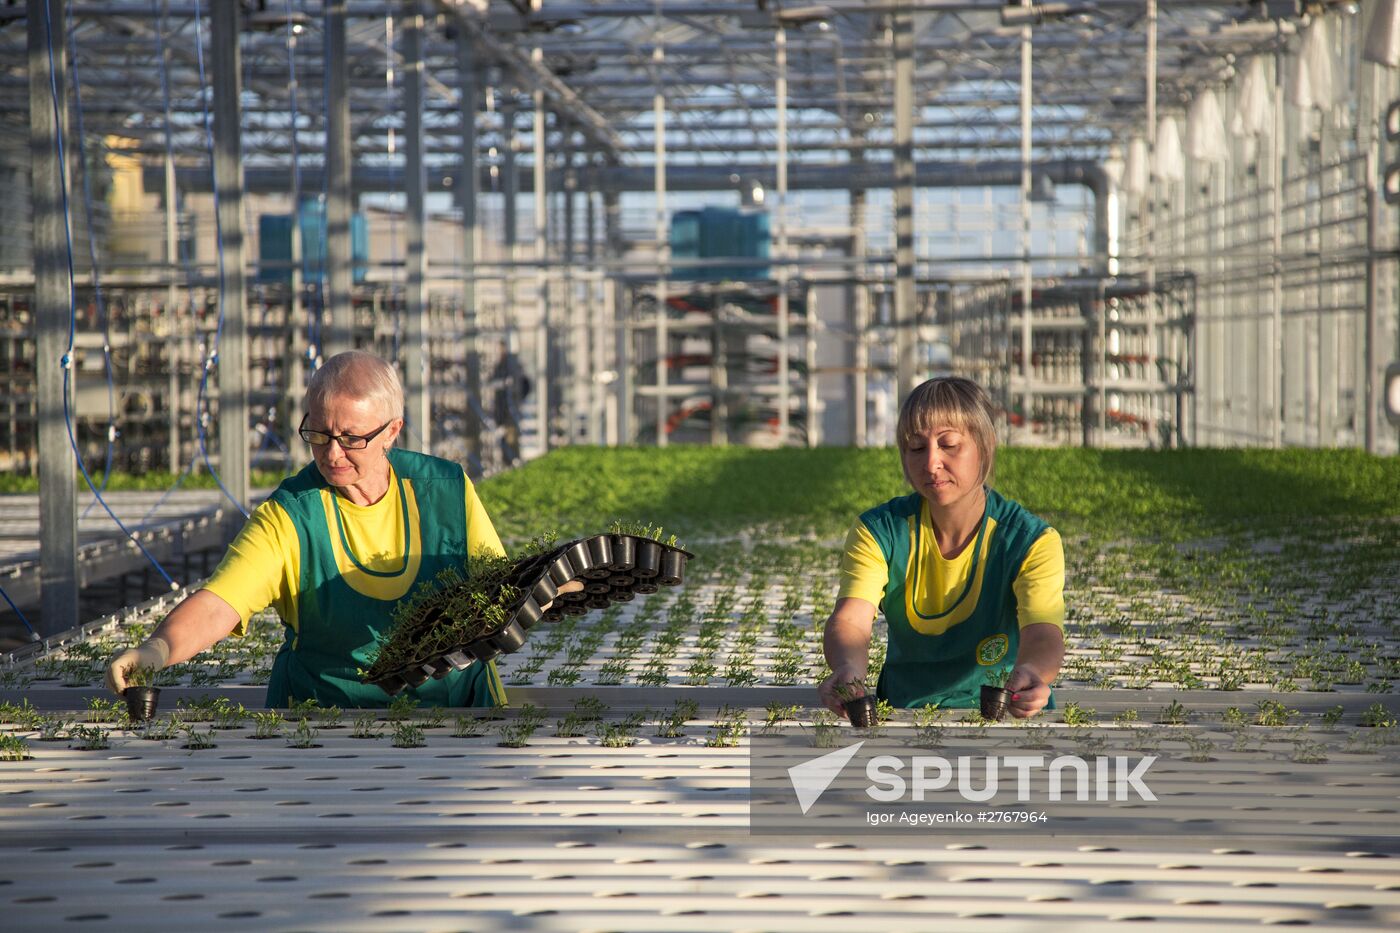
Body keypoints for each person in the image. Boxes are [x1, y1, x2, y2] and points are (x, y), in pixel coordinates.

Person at [104, 350, 547, 708]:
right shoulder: (292, 514)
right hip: (325, 722)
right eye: (318, 434)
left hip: (455, 717)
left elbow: (500, 590)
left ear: (393, 431)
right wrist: (154, 652)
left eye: (351, 438)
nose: (333, 453)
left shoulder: (445, 491)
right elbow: (222, 602)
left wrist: (557, 586)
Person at [817, 376, 1065, 719]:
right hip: (904, 711)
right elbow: (851, 621)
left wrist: (1034, 673)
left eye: (948, 444)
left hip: (1005, 714)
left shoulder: (1029, 541)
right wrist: (847, 669)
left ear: (986, 445)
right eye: (916, 448)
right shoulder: (880, 531)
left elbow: (1042, 631)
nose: (931, 464)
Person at [489, 339, 530, 465]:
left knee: (510, 438)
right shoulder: (501, 366)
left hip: (509, 413)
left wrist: (516, 399)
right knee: (504, 439)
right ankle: (508, 460)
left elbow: (526, 385)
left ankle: (511, 461)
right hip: (502, 411)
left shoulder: (512, 366)